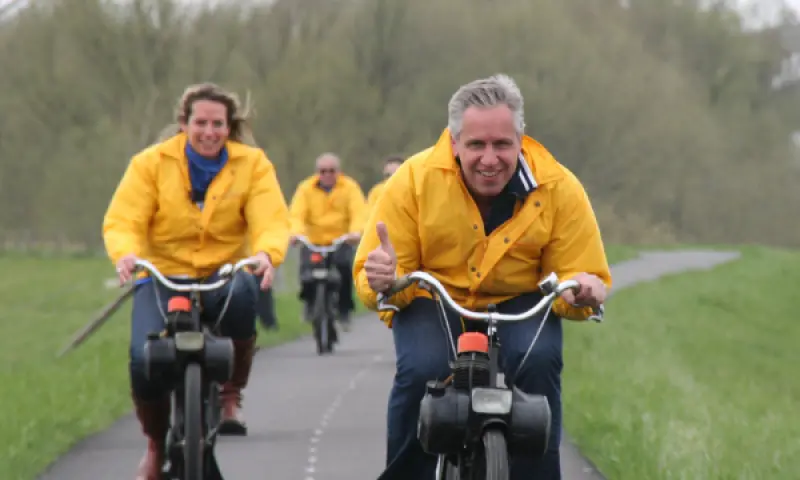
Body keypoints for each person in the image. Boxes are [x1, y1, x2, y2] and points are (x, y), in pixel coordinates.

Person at [353, 74, 612, 480]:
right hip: (432, 297)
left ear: (520, 140)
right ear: (455, 142)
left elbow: (582, 272)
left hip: (519, 299)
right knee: (423, 370)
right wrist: (383, 279)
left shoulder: (559, 187)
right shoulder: (413, 179)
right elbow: (378, 274)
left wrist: (585, 289)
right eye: (476, 145)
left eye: (502, 144)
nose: (489, 159)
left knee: (539, 363)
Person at [102, 82, 291, 480]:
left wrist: (266, 254)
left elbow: (271, 218)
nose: (209, 132)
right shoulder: (150, 163)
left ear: (229, 127)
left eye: (217, 124)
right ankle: (155, 445)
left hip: (222, 272)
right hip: (162, 274)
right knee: (142, 359)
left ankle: (230, 392)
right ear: (184, 123)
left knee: (245, 293)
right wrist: (126, 254)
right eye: (201, 123)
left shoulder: (253, 164)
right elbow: (124, 218)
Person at [288, 152, 367, 331]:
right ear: (317, 172)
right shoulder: (305, 189)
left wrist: (355, 232)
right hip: (313, 241)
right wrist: (296, 234)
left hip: (340, 241)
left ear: (339, 171)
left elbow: (358, 212)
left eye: (332, 171)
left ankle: (344, 310)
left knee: (344, 269)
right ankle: (309, 303)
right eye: (323, 171)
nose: (327, 175)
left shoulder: (350, 188)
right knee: (306, 273)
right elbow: (297, 214)